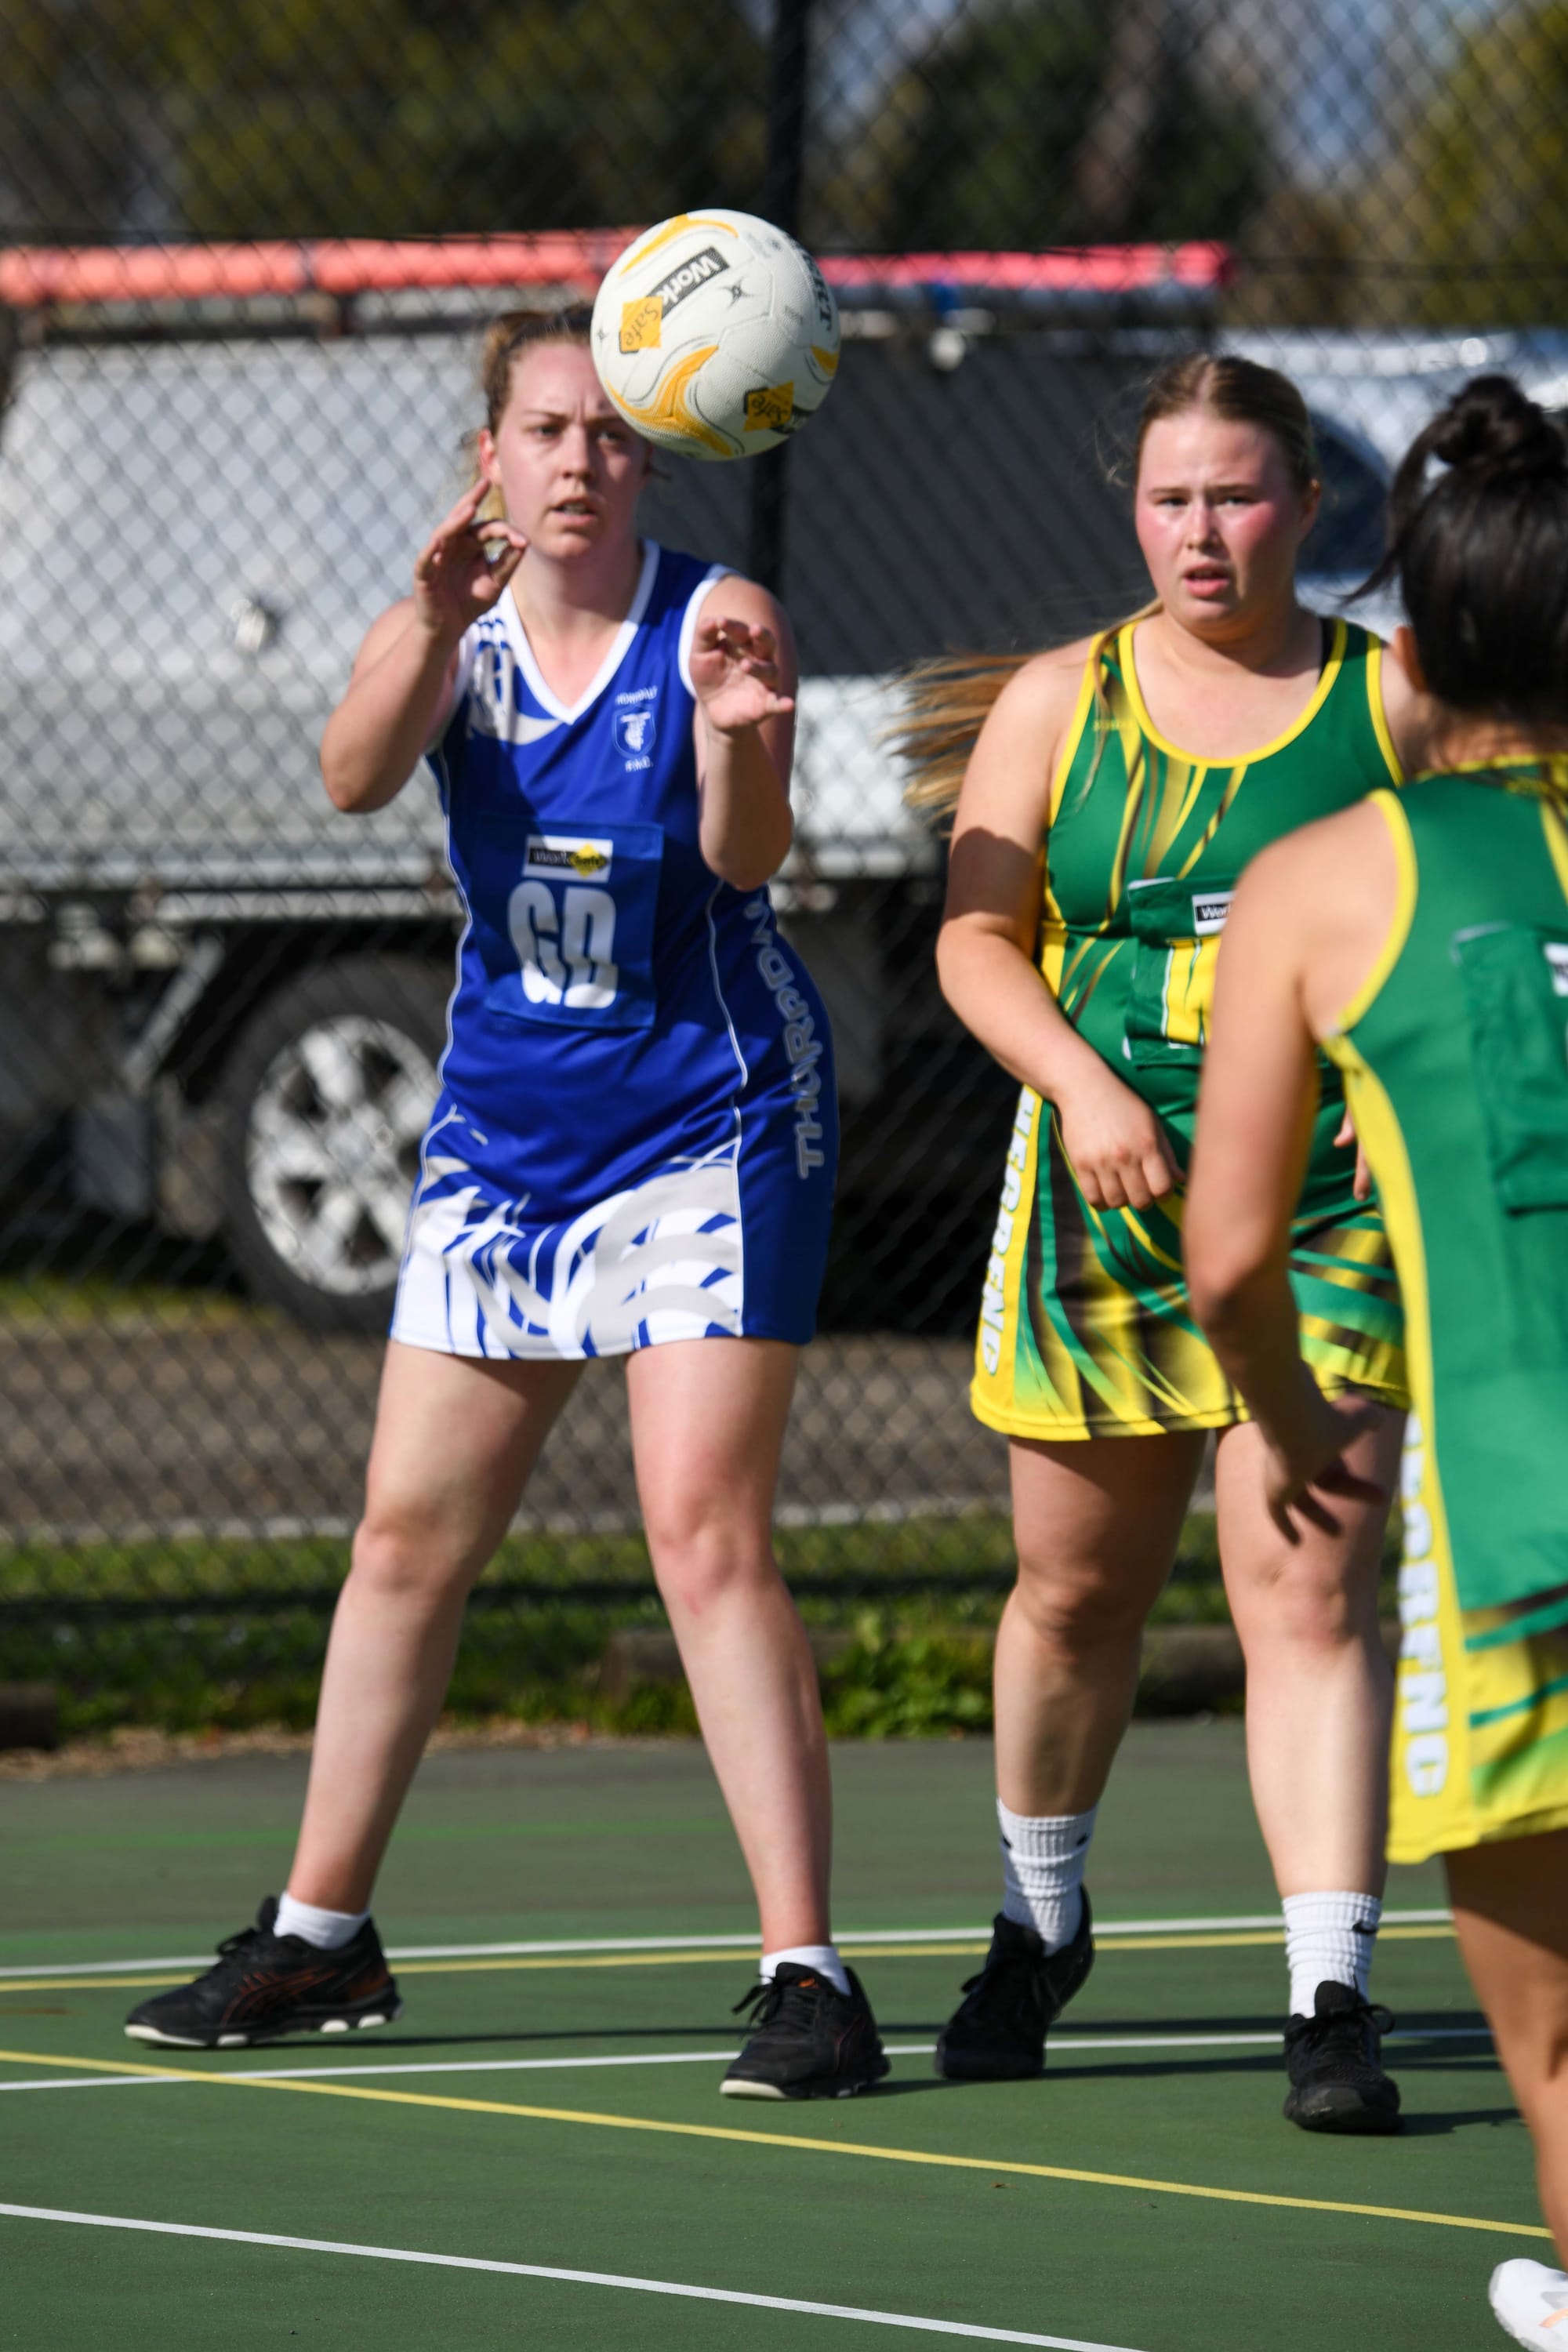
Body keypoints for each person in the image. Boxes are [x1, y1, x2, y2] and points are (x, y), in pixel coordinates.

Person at [123, 307, 887, 2103]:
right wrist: (425, 619)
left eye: (611, 436)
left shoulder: (706, 624)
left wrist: (750, 733)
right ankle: (320, 1934)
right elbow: (347, 773)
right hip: (505, 1138)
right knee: (407, 1540)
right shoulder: (454, 635)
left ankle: (810, 1972)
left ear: (655, 456)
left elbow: (746, 861)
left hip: (706, 1117)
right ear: (491, 451)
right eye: (544, 428)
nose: (575, 462)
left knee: (699, 1530)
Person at [901, 354, 1423, 2129]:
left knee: (1308, 1590)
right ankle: (1036, 1919)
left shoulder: (1397, 701)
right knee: (1075, 1593)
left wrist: (1402, 1076)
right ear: (1133, 506)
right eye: (1172, 497)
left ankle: (1329, 1988)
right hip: (1100, 1213)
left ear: (1309, 503)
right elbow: (979, 944)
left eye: (1241, 493)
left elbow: (1485, 901)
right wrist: (1082, 1086)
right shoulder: (1063, 701)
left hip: (1330, 1215)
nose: (1205, 531)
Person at [1185, 374, 1568, 2343]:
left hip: (1525, 1533)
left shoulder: (1330, 883)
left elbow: (1228, 1247)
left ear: (1404, 652)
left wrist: (1281, 1418)